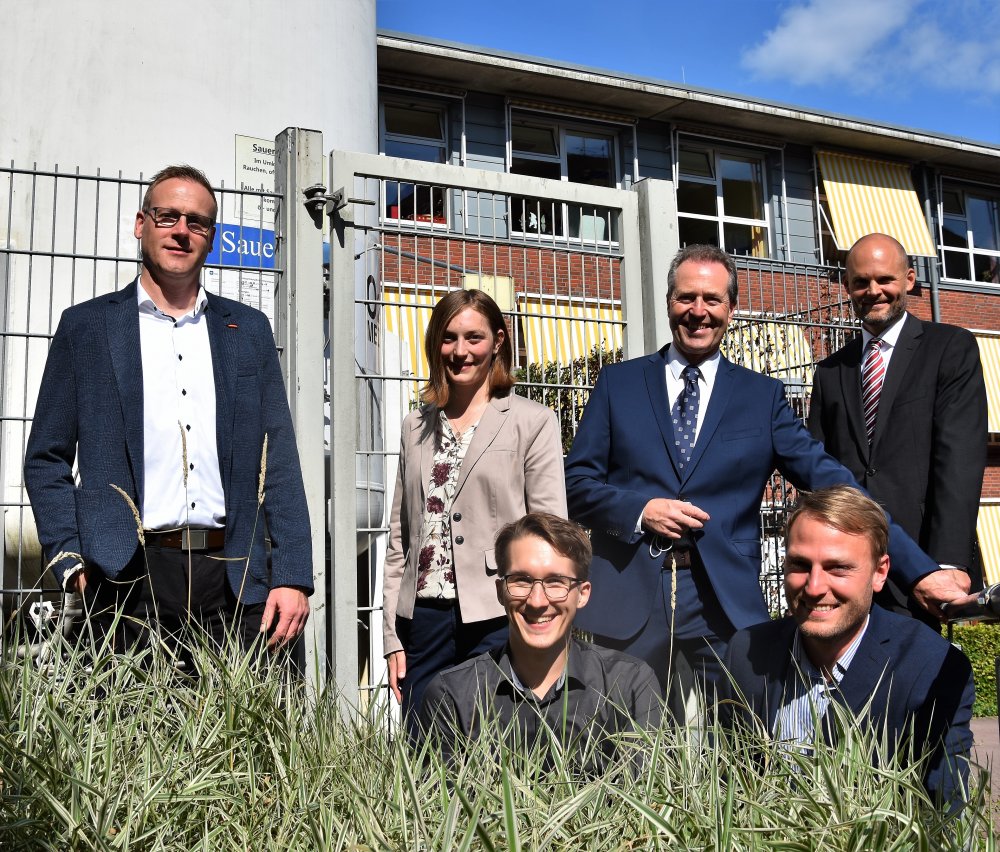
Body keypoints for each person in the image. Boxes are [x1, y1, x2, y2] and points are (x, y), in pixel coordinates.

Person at [563, 243, 966, 707]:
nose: (698, 312)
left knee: (744, 752)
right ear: (669, 302)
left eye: (712, 300)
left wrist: (920, 572)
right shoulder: (619, 384)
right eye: (686, 298)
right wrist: (641, 509)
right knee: (626, 744)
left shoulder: (762, 397)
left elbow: (838, 486)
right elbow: (576, 484)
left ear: (731, 308)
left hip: (724, 605)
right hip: (631, 600)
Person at [24, 164, 312, 655]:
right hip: (123, 578)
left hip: (235, 579)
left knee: (242, 731)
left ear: (211, 237)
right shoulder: (87, 328)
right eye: (167, 217)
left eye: (196, 222)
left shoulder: (248, 331)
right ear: (141, 224)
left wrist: (291, 576)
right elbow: (46, 458)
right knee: (128, 732)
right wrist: (70, 555)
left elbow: (278, 459)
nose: (181, 231)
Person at [718, 486, 974, 805]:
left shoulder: (931, 667)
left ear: (880, 573)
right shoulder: (746, 653)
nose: (814, 587)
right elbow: (727, 788)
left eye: (837, 568)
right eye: (799, 565)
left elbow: (941, 815)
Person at [382, 290, 566, 727]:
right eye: (448, 338)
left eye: (473, 338)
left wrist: (539, 611)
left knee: (500, 747)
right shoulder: (416, 426)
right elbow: (399, 541)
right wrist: (392, 636)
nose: (460, 351)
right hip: (422, 617)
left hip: (499, 614)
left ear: (498, 341)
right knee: (422, 748)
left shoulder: (531, 421)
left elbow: (549, 532)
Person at [809, 232, 987, 628]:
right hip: (845, 566)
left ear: (908, 279)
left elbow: (958, 459)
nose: (873, 291)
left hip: (920, 568)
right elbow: (819, 472)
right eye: (861, 282)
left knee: (914, 681)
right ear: (848, 287)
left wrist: (948, 562)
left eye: (885, 279)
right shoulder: (830, 371)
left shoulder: (950, 349)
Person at [419, 512, 661, 763]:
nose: (537, 601)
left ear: (583, 594)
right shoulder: (452, 696)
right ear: (501, 592)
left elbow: (643, 795)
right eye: (521, 581)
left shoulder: (630, 687)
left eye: (556, 582)